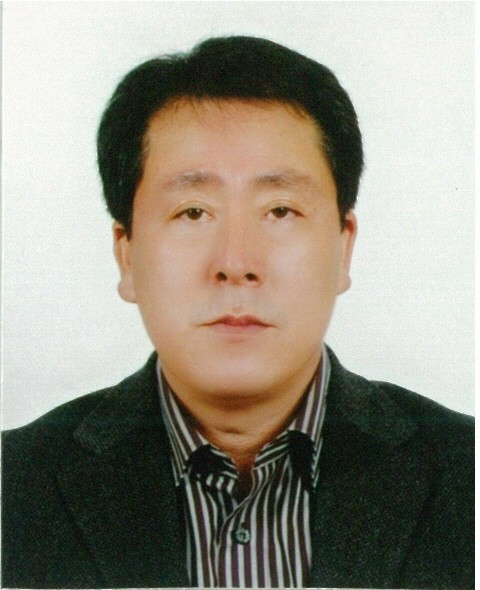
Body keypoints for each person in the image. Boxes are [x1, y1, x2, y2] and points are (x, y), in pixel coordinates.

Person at [2, 36, 473, 589]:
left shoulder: (467, 474)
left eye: (280, 210)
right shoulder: (15, 489)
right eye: (193, 212)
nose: (235, 263)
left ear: (343, 246)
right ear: (126, 254)